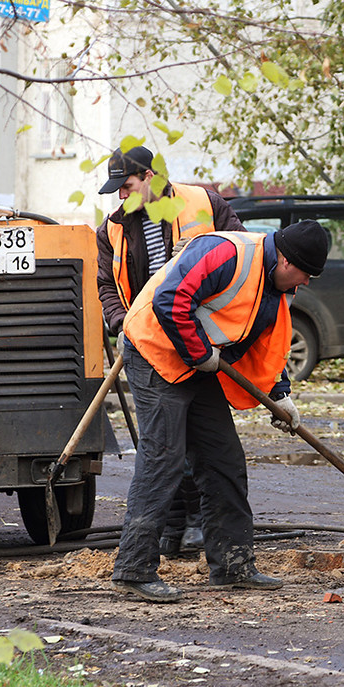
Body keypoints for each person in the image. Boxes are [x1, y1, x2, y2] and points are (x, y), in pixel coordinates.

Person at [111, 220, 329, 602]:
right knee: (164, 457)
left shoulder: (280, 288)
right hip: (156, 354)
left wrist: (279, 394)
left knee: (223, 458)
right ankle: (134, 568)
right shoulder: (226, 254)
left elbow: (268, 343)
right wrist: (200, 354)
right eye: (305, 273)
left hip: (199, 363)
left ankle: (232, 565)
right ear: (286, 260)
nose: (306, 282)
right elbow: (170, 300)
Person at [96, 145, 246, 558]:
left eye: (126, 186)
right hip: (149, 346)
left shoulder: (203, 204)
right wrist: (120, 323)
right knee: (163, 444)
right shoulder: (113, 228)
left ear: (150, 176)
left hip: (201, 340)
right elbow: (107, 286)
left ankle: (197, 523)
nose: (120, 197)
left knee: (204, 443)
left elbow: (242, 253)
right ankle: (172, 528)